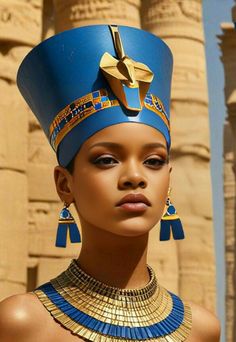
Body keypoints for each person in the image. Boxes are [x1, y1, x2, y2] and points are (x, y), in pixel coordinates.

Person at [0, 24, 220, 341]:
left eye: (154, 161)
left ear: (168, 183)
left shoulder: (202, 330)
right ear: (64, 184)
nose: (134, 176)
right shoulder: (21, 324)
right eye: (107, 160)